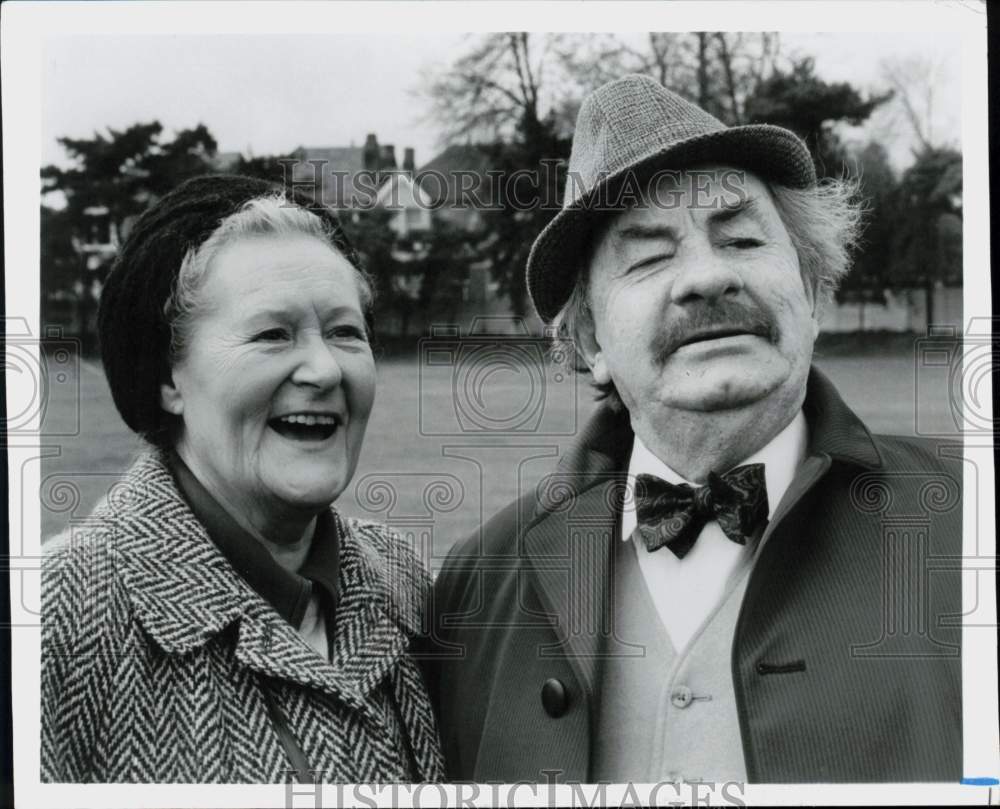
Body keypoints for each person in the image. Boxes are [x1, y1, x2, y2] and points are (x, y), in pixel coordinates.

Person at [423, 75, 962, 783]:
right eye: (648, 256)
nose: (706, 278)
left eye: (740, 237)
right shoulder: (475, 589)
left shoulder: (971, 517)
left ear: (811, 289)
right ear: (590, 343)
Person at [41, 175, 444, 783]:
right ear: (168, 380)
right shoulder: (55, 618)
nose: (325, 368)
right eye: (272, 335)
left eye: (344, 332)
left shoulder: (405, 582)